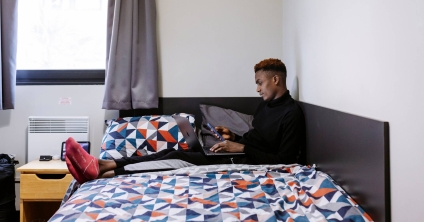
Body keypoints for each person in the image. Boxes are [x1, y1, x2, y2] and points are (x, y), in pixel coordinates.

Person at [65, 58, 306, 184]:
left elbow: (285, 161)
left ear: (276, 79)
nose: (256, 89)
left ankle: (102, 171)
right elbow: (261, 141)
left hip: (241, 163)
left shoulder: (291, 114)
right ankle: (103, 164)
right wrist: (234, 138)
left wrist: (241, 147)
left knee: (176, 161)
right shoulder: (266, 106)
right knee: (173, 151)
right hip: (233, 153)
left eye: (260, 83)